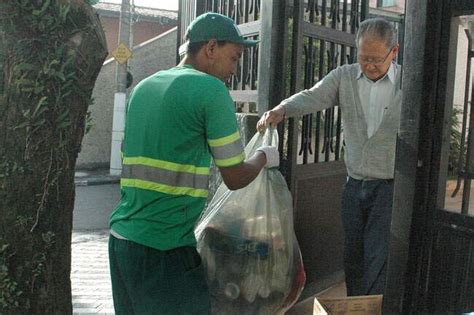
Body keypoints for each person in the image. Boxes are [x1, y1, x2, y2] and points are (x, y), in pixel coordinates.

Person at [108, 12, 279, 314]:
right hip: (164, 249)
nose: (234, 70)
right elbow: (235, 177)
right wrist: (264, 156)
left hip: (122, 242)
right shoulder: (210, 91)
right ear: (210, 48)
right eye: (234, 58)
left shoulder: (144, 88)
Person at [257, 17, 401, 296]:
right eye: (363, 58)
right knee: (352, 255)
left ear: (393, 52)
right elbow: (314, 96)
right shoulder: (344, 76)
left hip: (388, 188)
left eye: (376, 59)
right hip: (354, 186)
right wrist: (282, 110)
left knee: (378, 256)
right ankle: (355, 305)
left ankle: (370, 309)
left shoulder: (407, 83)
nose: (369, 65)